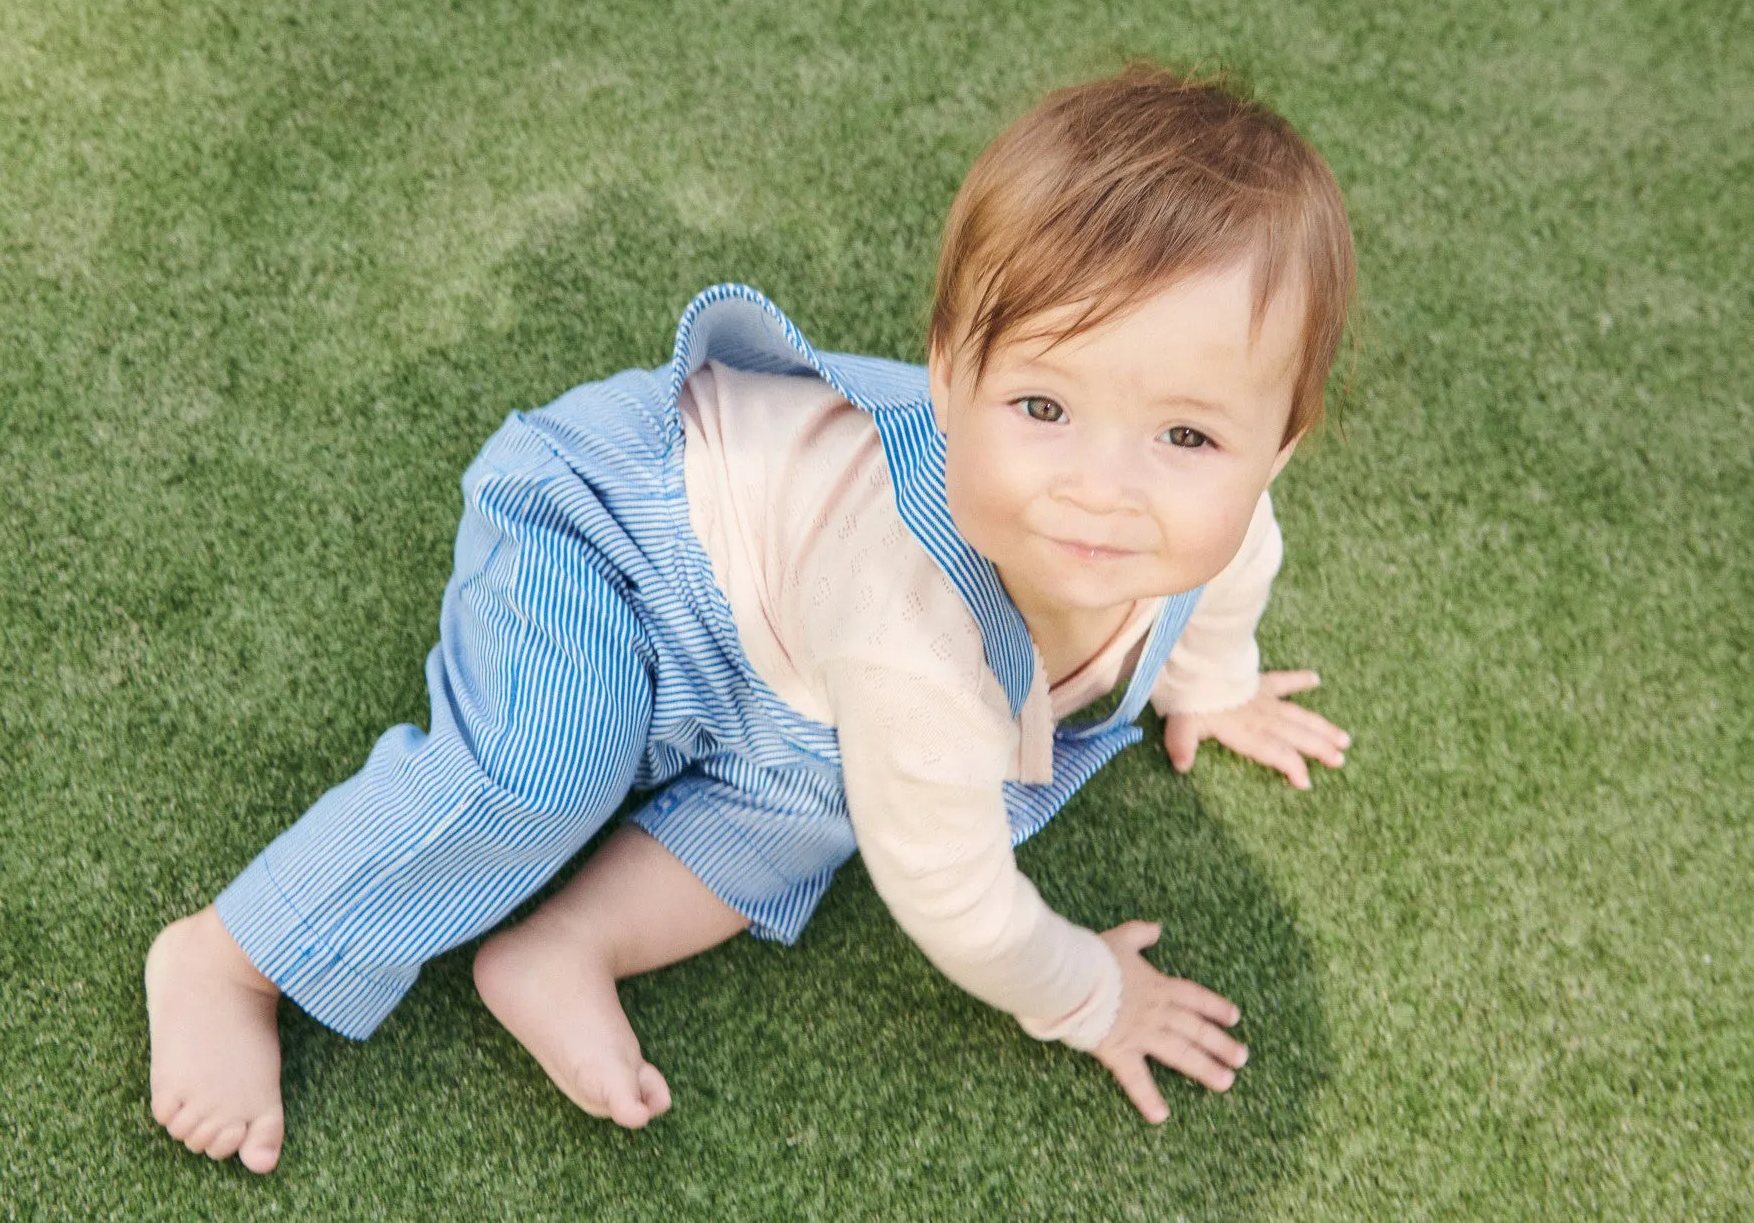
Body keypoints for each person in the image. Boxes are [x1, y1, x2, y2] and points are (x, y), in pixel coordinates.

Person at [145, 64, 1357, 1173]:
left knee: (800, 818)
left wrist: (1210, 681)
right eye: (1041, 406)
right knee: (540, 770)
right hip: (622, 548)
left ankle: (566, 946)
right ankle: (232, 951)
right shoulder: (916, 643)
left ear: (1274, 451)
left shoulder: (1217, 528)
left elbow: (1230, 575)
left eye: (1186, 437)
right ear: (948, 380)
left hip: (786, 666)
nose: (1102, 487)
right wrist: (1087, 991)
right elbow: (960, 904)